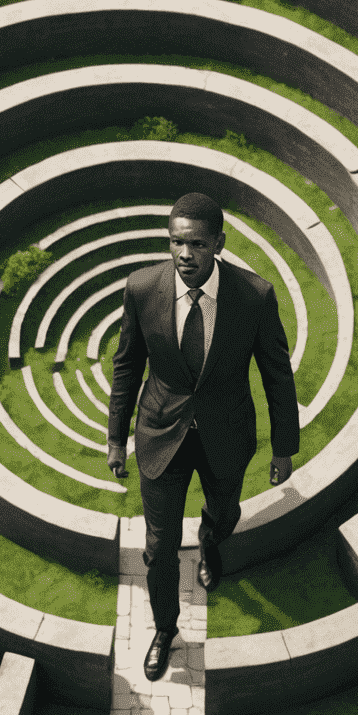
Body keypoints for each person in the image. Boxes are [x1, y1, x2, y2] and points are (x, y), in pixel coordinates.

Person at [107, 192, 299, 681]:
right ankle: (165, 629)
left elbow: (277, 374)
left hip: (227, 433)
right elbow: (127, 365)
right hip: (160, 433)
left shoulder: (255, 296)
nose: (184, 254)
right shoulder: (142, 288)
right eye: (175, 242)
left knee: (224, 511)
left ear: (219, 244)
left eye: (195, 243)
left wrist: (283, 447)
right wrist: (115, 438)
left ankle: (211, 543)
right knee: (158, 546)